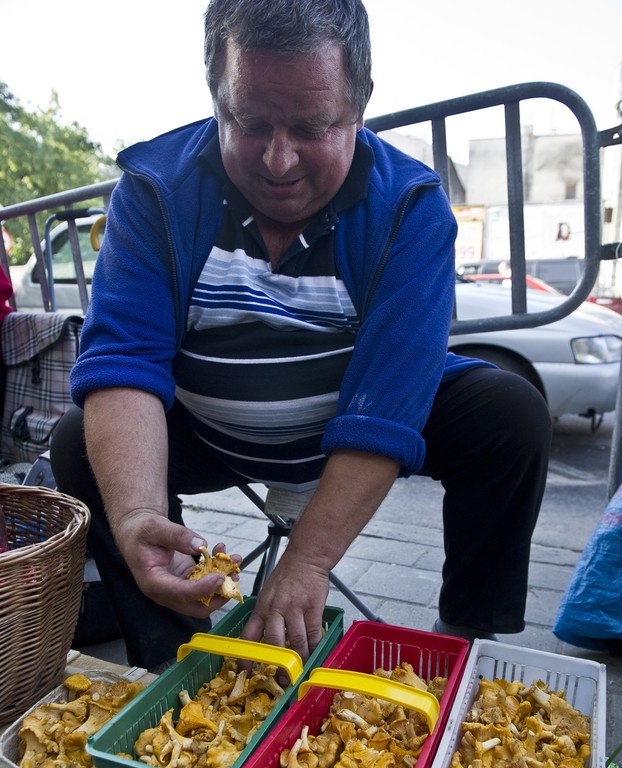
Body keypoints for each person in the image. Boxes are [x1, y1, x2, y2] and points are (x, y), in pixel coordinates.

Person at [50, 0, 552, 671]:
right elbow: (122, 361)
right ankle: (168, 660)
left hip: (349, 421)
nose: (278, 161)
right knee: (80, 435)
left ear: (360, 103)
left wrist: (307, 561)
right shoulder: (155, 190)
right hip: (206, 428)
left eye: (312, 127)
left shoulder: (410, 206)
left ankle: (463, 640)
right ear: (215, 94)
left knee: (510, 412)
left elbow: (386, 408)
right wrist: (137, 515)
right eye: (248, 123)